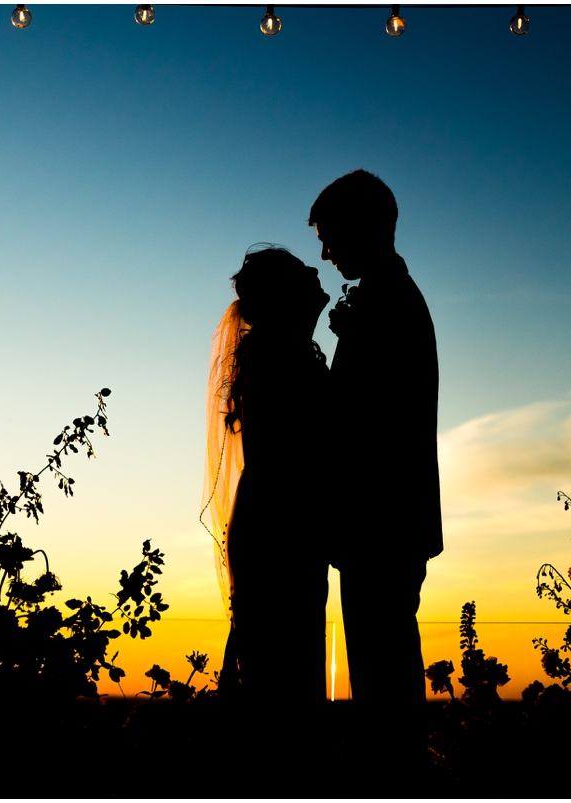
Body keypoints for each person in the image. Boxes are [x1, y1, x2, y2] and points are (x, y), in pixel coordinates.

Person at [309, 170, 443, 788]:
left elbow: (367, 417)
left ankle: (393, 786)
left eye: (330, 236)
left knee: (382, 668)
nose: (325, 252)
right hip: (384, 519)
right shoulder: (387, 296)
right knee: (382, 663)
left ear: (363, 228)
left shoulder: (388, 304)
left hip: (380, 519)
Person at [201, 243, 331, 779]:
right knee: (281, 666)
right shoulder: (282, 359)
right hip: (280, 526)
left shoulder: (283, 352)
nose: (317, 282)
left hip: (280, 520)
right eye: (302, 283)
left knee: (283, 660)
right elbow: (299, 451)